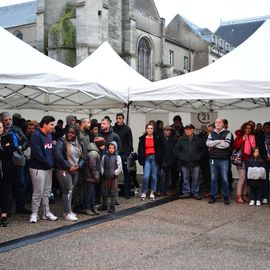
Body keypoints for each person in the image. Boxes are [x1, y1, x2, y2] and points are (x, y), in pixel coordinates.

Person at [29, 115, 58, 223]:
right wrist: (49, 163)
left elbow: (50, 151)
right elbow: (37, 153)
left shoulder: (49, 135)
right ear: (45, 124)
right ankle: (34, 214)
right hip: (38, 168)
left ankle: (46, 213)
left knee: (46, 192)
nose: (52, 127)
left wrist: (51, 163)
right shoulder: (36, 135)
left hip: (48, 168)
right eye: (51, 124)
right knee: (38, 192)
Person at [53, 126, 84, 221]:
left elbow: (83, 157)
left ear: (76, 134)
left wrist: (79, 166)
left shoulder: (79, 143)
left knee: (70, 190)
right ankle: (66, 213)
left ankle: (69, 210)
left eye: (73, 133)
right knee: (67, 190)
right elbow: (58, 155)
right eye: (68, 132)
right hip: (64, 170)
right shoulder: (61, 142)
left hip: (75, 169)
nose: (70, 134)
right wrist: (68, 167)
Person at [207, 118, 233, 205]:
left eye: (220, 122)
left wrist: (214, 144)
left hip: (223, 160)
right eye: (216, 122)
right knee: (213, 179)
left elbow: (226, 145)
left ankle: (225, 197)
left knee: (225, 179)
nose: (218, 123)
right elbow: (208, 143)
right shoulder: (211, 133)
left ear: (223, 124)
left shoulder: (228, 133)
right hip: (213, 159)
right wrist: (219, 141)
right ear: (214, 124)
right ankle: (213, 196)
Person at [175, 124, 203, 200]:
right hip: (184, 162)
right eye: (186, 129)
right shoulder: (181, 139)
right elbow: (176, 150)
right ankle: (186, 192)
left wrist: (198, 157)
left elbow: (203, 150)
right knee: (185, 178)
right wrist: (181, 157)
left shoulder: (198, 139)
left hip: (196, 162)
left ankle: (195, 192)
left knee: (196, 178)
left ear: (193, 130)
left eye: (190, 129)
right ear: (184, 130)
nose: (188, 131)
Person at [138, 123, 164, 201]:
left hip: (154, 158)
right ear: (146, 129)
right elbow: (140, 149)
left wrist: (159, 157)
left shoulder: (157, 137)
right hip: (147, 158)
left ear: (153, 129)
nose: (150, 130)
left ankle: (152, 192)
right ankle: (144, 192)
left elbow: (161, 148)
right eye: (148, 128)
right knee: (146, 177)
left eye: (151, 128)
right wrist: (141, 158)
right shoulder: (142, 138)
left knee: (154, 177)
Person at [233, 122, 256, 203]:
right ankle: (238, 196)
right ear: (244, 128)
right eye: (247, 128)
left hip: (249, 159)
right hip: (241, 160)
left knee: (247, 178)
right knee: (242, 177)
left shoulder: (252, 136)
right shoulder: (239, 136)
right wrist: (242, 139)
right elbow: (235, 146)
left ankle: (244, 195)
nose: (248, 129)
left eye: (250, 128)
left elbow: (254, 148)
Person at [82, 137, 105, 215]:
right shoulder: (93, 153)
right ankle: (87, 208)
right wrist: (96, 177)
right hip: (90, 177)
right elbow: (92, 167)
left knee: (92, 193)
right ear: (99, 145)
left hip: (91, 177)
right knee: (89, 193)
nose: (104, 146)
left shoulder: (95, 152)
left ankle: (92, 207)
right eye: (103, 145)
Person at [113, 113, 133, 199]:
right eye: (117, 118)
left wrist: (127, 153)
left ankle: (127, 192)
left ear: (123, 119)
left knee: (127, 173)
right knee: (114, 173)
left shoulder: (127, 129)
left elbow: (130, 142)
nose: (118, 120)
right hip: (115, 154)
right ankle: (113, 193)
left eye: (120, 118)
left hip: (124, 154)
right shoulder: (113, 129)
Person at [99, 141, 122, 213]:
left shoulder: (117, 157)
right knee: (104, 191)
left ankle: (112, 206)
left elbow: (119, 167)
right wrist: (102, 172)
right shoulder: (104, 156)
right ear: (107, 148)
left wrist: (115, 173)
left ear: (115, 149)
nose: (111, 149)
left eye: (113, 148)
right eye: (110, 148)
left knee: (113, 192)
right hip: (105, 176)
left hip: (113, 177)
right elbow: (101, 165)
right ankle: (104, 205)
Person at [159, 125, 175, 195]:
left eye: (169, 130)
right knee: (161, 176)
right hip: (161, 160)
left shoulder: (172, 140)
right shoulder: (160, 139)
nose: (168, 132)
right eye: (167, 130)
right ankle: (160, 190)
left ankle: (167, 189)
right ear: (164, 131)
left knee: (168, 176)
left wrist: (172, 160)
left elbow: (173, 151)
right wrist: (161, 160)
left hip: (169, 161)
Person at [257, 121, 270, 204]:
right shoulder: (261, 137)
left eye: (268, 127)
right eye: (265, 128)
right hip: (265, 160)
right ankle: (265, 196)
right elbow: (259, 149)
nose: (266, 129)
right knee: (265, 179)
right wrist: (265, 157)